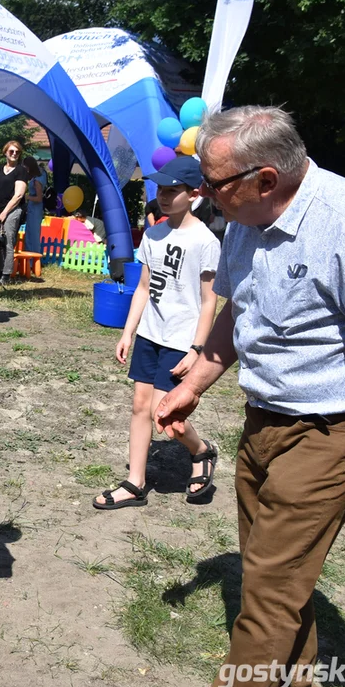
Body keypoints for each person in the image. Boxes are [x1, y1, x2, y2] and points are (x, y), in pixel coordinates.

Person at [154, 106, 345, 687]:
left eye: (213, 184)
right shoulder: (244, 215)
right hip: (262, 424)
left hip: (328, 435)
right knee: (274, 581)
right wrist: (195, 382)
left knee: (269, 591)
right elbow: (237, 312)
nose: (202, 195)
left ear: (266, 178)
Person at [92, 156, 220, 511]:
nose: (163, 196)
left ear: (194, 194)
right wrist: (128, 333)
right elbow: (144, 289)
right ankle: (135, 483)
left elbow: (209, 302)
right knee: (139, 406)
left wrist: (197, 349)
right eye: (160, 189)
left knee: (166, 416)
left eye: (172, 190)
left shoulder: (206, 242)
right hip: (150, 334)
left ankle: (201, 450)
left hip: (181, 341)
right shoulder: (152, 233)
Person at [0, 140, 28, 286]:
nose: (14, 154)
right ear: (5, 152)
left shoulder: (21, 171)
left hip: (12, 211)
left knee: (8, 242)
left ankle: (6, 275)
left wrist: (4, 213)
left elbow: (18, 195)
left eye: (17, 152)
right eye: (11, 151)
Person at [22, 156, 47, 252]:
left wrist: (26, 197)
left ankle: (33, 259)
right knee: (31, 233)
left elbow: (39, 198)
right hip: (34, 208)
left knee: (32, 235)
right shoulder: (41, 174)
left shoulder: (37, 180)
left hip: (35, 208)